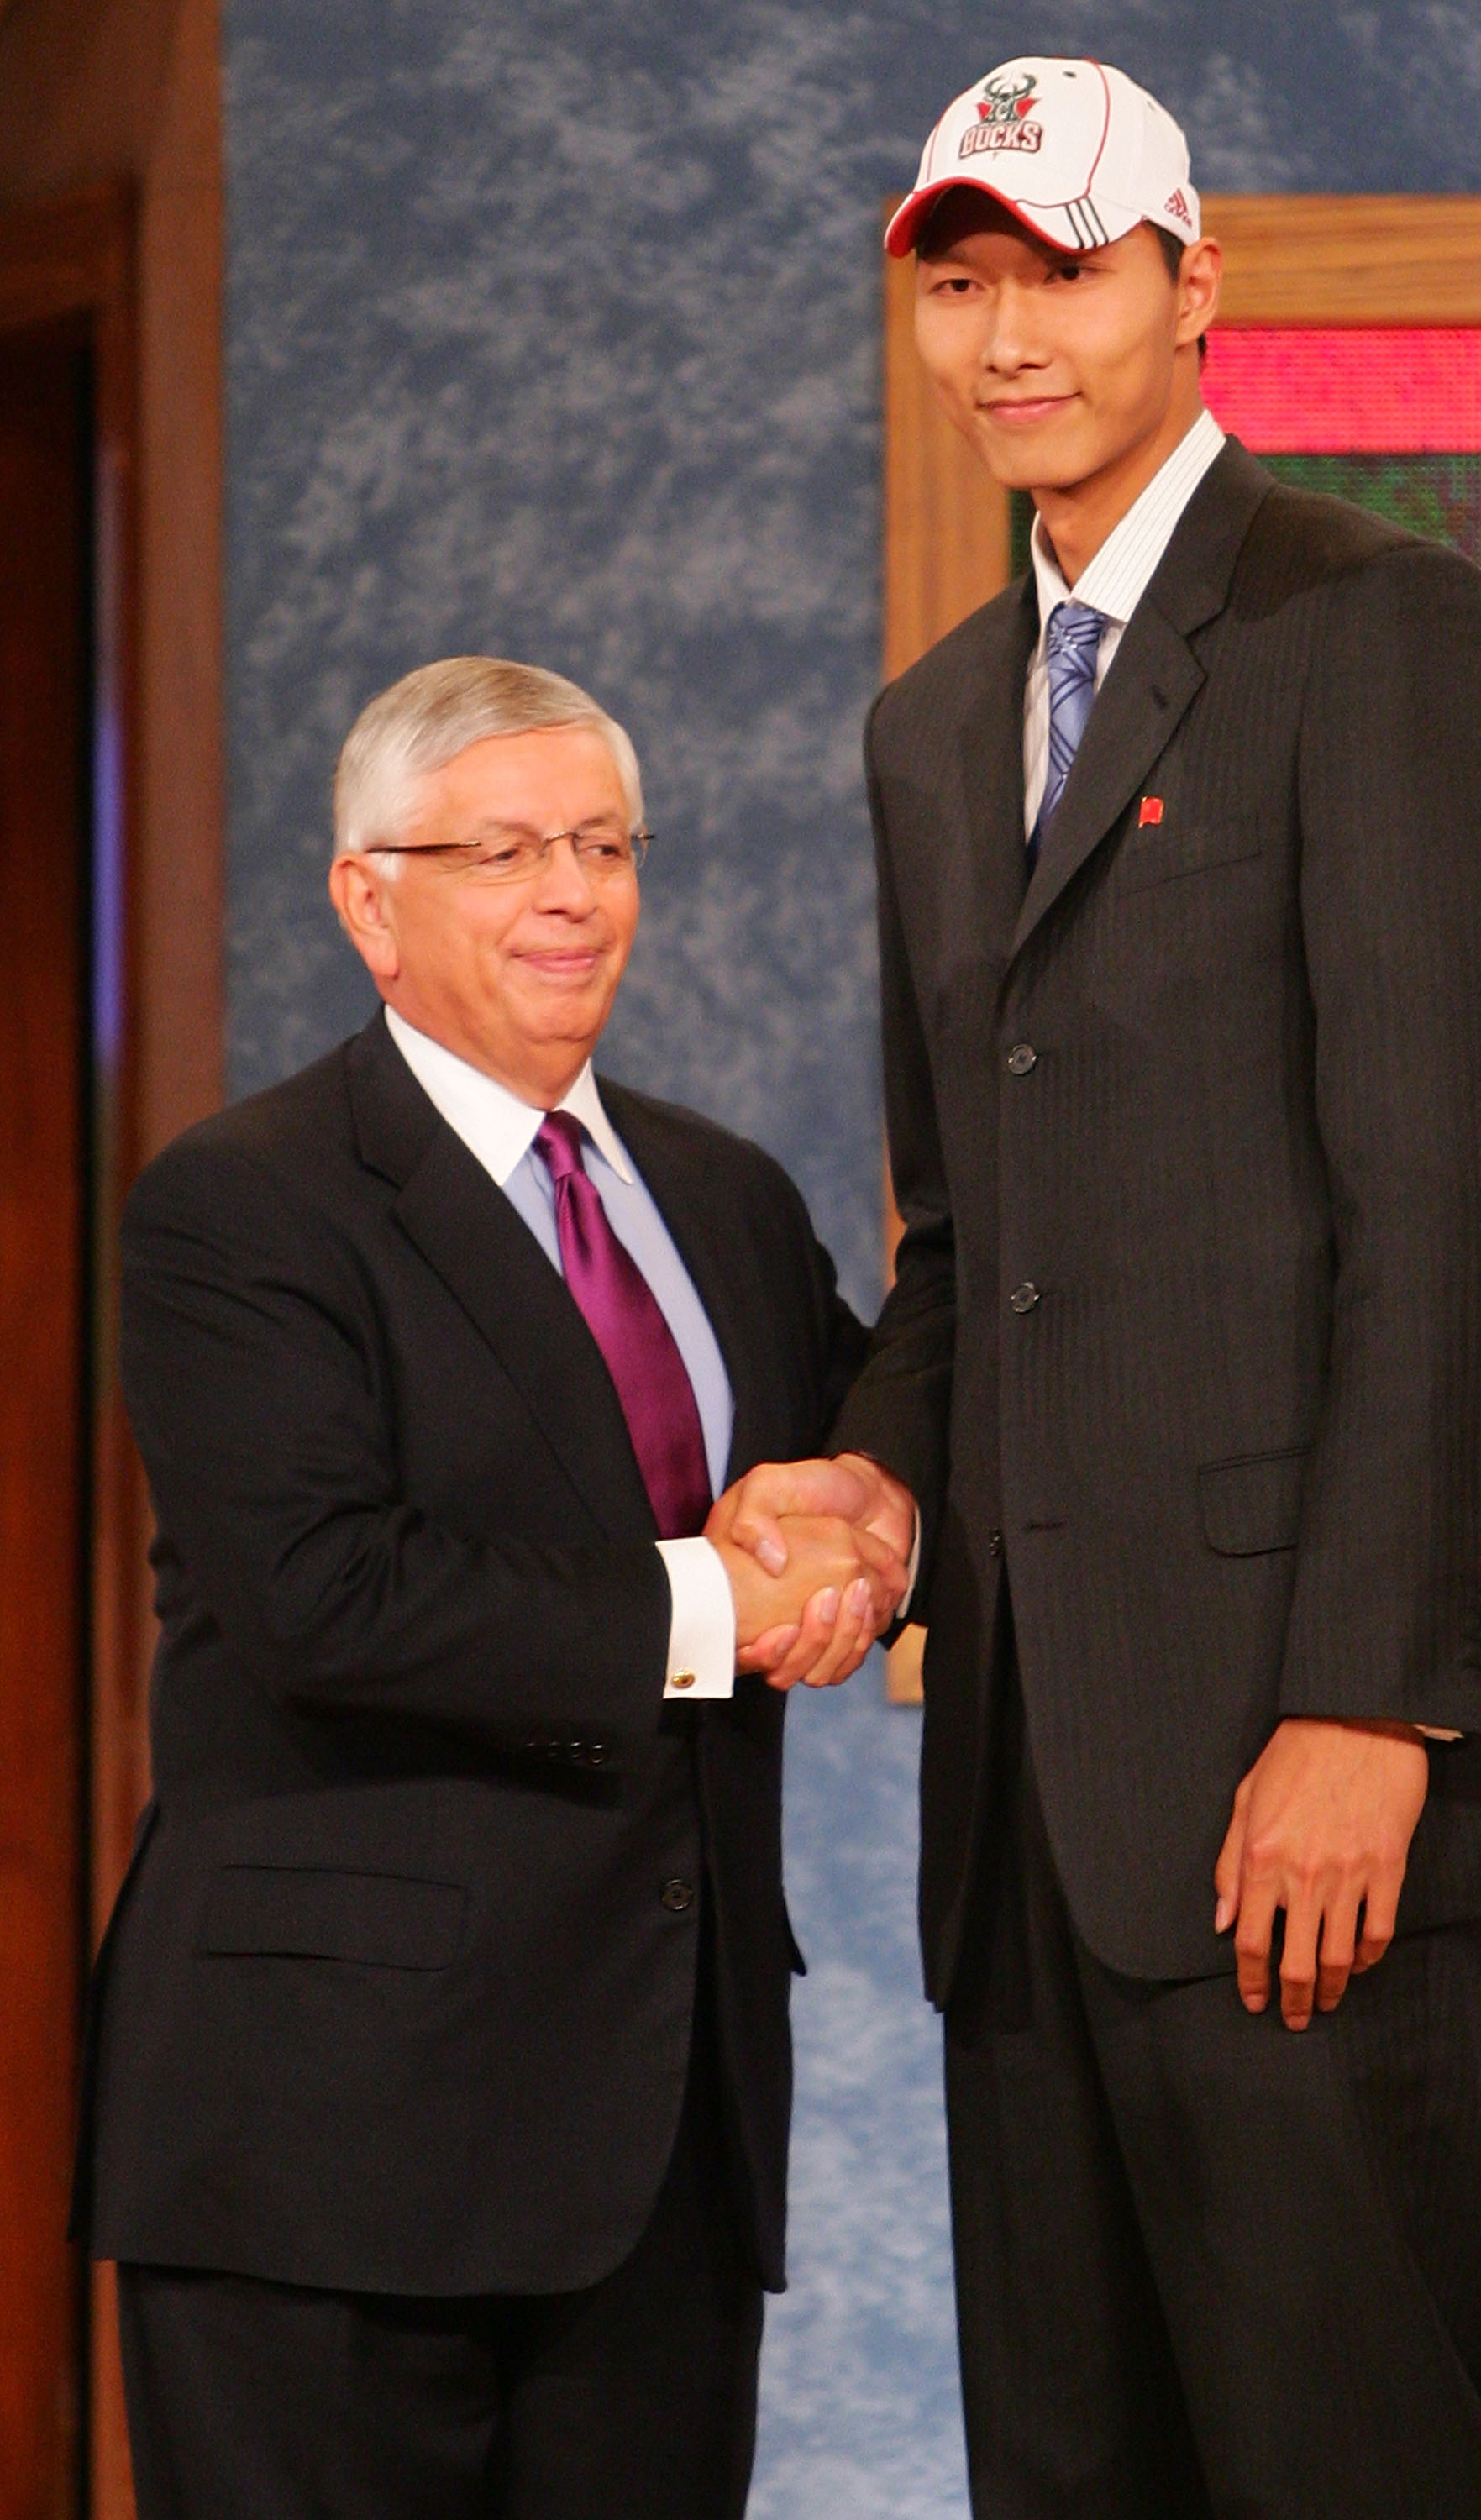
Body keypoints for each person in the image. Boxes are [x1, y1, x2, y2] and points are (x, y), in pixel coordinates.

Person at [717, 56, 1481, 2519]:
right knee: (1072, 2477)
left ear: (1193, 284)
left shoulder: (1390, 632)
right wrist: (875, 1483)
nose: (1011, 331)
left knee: (1353, 2467)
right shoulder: (936, 731)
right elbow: (970, 1254)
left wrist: (1363, 1708)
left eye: (1069, 266)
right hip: (1030, 1790)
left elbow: (1453, 1229)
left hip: (1293, 1774)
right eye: (964, 279)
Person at [76, 657, 904, 2520]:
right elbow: (324, 1597)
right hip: (332, 2139)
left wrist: (886, 1525)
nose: (571, 893)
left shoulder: (725, 1196)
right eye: (505, 850)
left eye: (605, 845)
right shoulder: (244, 1204)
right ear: (370, 900)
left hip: (661, 2136)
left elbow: (850, 1466)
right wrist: (724, 1611)